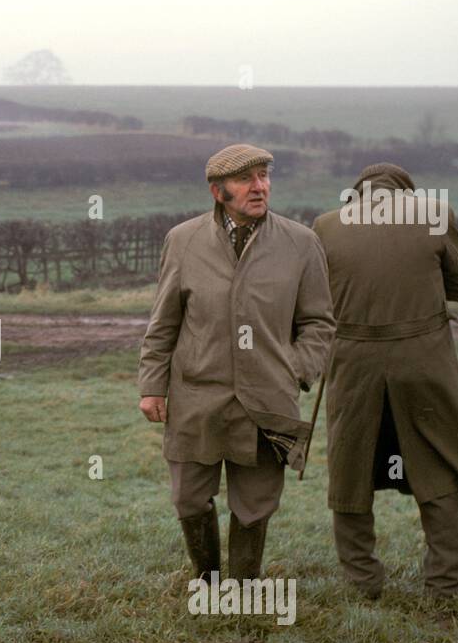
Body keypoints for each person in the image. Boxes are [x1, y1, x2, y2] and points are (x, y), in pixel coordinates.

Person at [138, 144, 334, 581]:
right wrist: (152, 385)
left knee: (255, 501)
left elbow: (320, 323)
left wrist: (294, 369)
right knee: (189, 497)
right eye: (247, 179)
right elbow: (164, 321)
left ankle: (243, 586)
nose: (260, 187)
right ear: (217, 190)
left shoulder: (301, 243)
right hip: (196, 395)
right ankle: (206, 581)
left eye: (264, 176)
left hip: (267, 399)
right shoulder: (183, 240)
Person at [313, 163, 458, 599]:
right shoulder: (434, 212)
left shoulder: (326, 225)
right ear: (405, 190)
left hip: (354, 364)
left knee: (350, 467)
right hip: (423, 361)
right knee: (438, 460)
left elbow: (318, 294)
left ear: (359, 191)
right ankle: (446, 583)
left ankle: (362, 581)